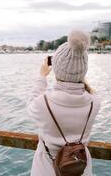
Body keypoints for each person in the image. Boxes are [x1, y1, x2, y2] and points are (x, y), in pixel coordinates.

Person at [27, 30, 100, 176]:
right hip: (81, 169)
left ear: (56, 69)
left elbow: (31, 104)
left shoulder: (43, 103)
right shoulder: (94, 102)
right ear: (83, 70)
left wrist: (42, 77)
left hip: (46, 170)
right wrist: (77, 76)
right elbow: (86, 88)